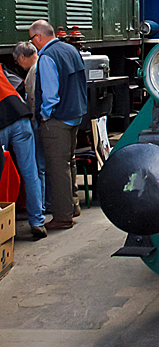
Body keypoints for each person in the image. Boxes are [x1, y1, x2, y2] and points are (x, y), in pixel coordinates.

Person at [29, 20, 88, 231]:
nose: (33, 43)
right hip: (75, 115)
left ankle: (63, 217)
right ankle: (72, 206)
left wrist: (45, 116)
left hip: (58, 120)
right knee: (69, 162)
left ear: (38, 37)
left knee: (57, 167)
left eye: (32, 38)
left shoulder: (47, 57)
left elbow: (50, 95)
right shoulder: (71, 49)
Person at [0, 63, 46, 239]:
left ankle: (3, 220)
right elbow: (20, 83)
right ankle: (37, 222)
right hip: (21, 116)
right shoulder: (2, 68)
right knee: (30, 172)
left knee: (2, 172)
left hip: (2, 123)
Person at [12, 41, 46, 215]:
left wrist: (34, 122)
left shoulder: (33, 72)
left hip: (36, 122)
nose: (19, 66)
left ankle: (40, 207)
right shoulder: (42, 64)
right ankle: (38, 215)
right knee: (34, 170)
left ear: (23, 57)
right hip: (34, 122)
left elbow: (32, 100)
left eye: (18, 62)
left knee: (37, 168)